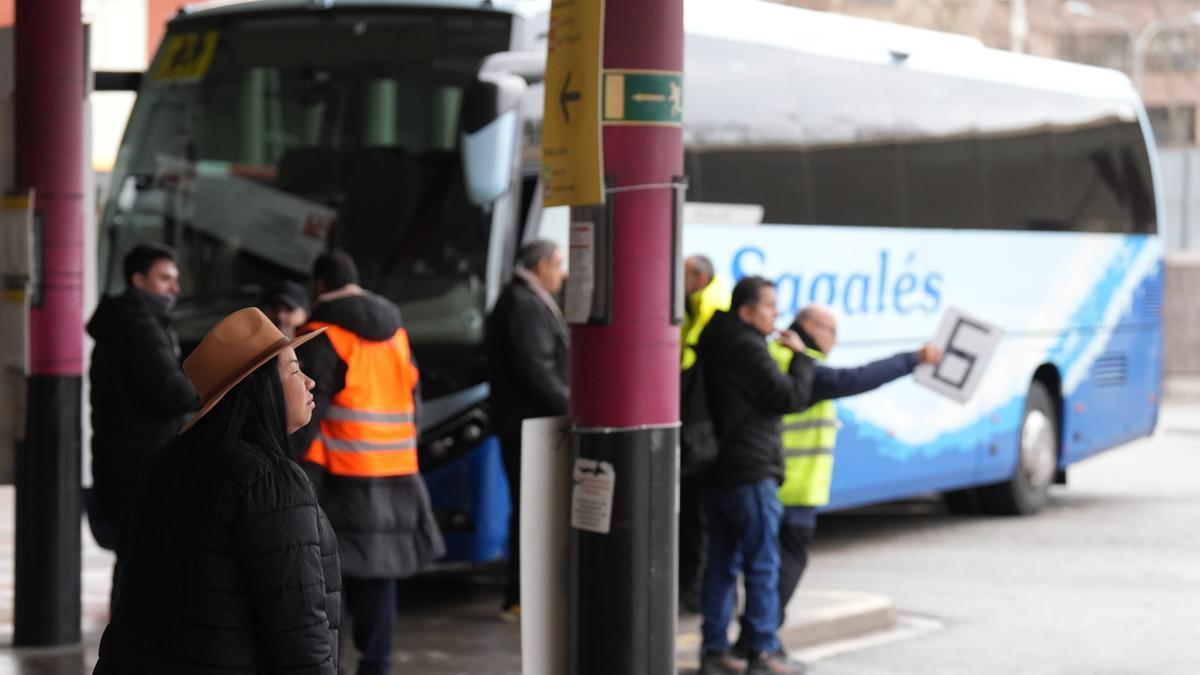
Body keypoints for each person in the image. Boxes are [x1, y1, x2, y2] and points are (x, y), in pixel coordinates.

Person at [93, 307, 341, 673]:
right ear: (260, 390)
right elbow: (300, 636)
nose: (309, 382)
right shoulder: (269, 482)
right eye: (293, 369)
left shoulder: (170, 464)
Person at [294, 250, 445, 675]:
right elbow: (414, 398)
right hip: (396, 467)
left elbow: (306, 408)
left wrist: (284, 459)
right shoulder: (396, 332)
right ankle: (377, 665)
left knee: (330, 578)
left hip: (338, 473)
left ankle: (334, 668)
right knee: (381, 574)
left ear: (319, 286)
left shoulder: (320, 334)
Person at [766, 305, 942, 627]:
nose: (835, 341)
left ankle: (755, 639)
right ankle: (760, 640)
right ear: (810, 326)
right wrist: (911, 359)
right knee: (786, 565)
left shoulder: (770, 356)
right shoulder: (804, 366)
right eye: (832, 332)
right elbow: (858, 378)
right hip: (794, 488)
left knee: (760, 566)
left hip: (766, 483)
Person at [697, 276, 815, 675]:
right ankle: (763, 652)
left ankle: (715, 650)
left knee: (721, 565)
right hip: (750, 470)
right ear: (746, 312)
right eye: (769, 306)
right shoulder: (747, 348)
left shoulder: (716, 341)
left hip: (716, 471)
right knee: (763, 564)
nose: (776, 314)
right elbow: (790, 397)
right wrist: (801, 356)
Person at [86, 243, 199, 552]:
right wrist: (210, 388)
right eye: (165, 279)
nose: (175, 288)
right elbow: (172, 393)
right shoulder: (138, 327)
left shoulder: (126, 321)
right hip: (139, 467)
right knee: (143, 564)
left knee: (133, 566)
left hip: (123, 464)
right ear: (138, 280)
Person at [485, 239, 569, 620]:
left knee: (531, 507)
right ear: (540, 267)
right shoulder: (524, 303)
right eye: (558, 264)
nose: (563, 273)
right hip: (527, 425)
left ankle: (525, 592)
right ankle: (520, 594)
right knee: (531, 509)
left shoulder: (522, 299)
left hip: (524, 422)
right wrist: (571, 406)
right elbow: (535, 369)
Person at [679, 254, 731, 613]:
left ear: (699, 276)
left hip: (698, 424)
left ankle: (695, 592)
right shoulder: (694, 302)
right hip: (693, 420)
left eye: (683, 274)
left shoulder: (711, 308)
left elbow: (690, 363)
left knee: (698, 518)